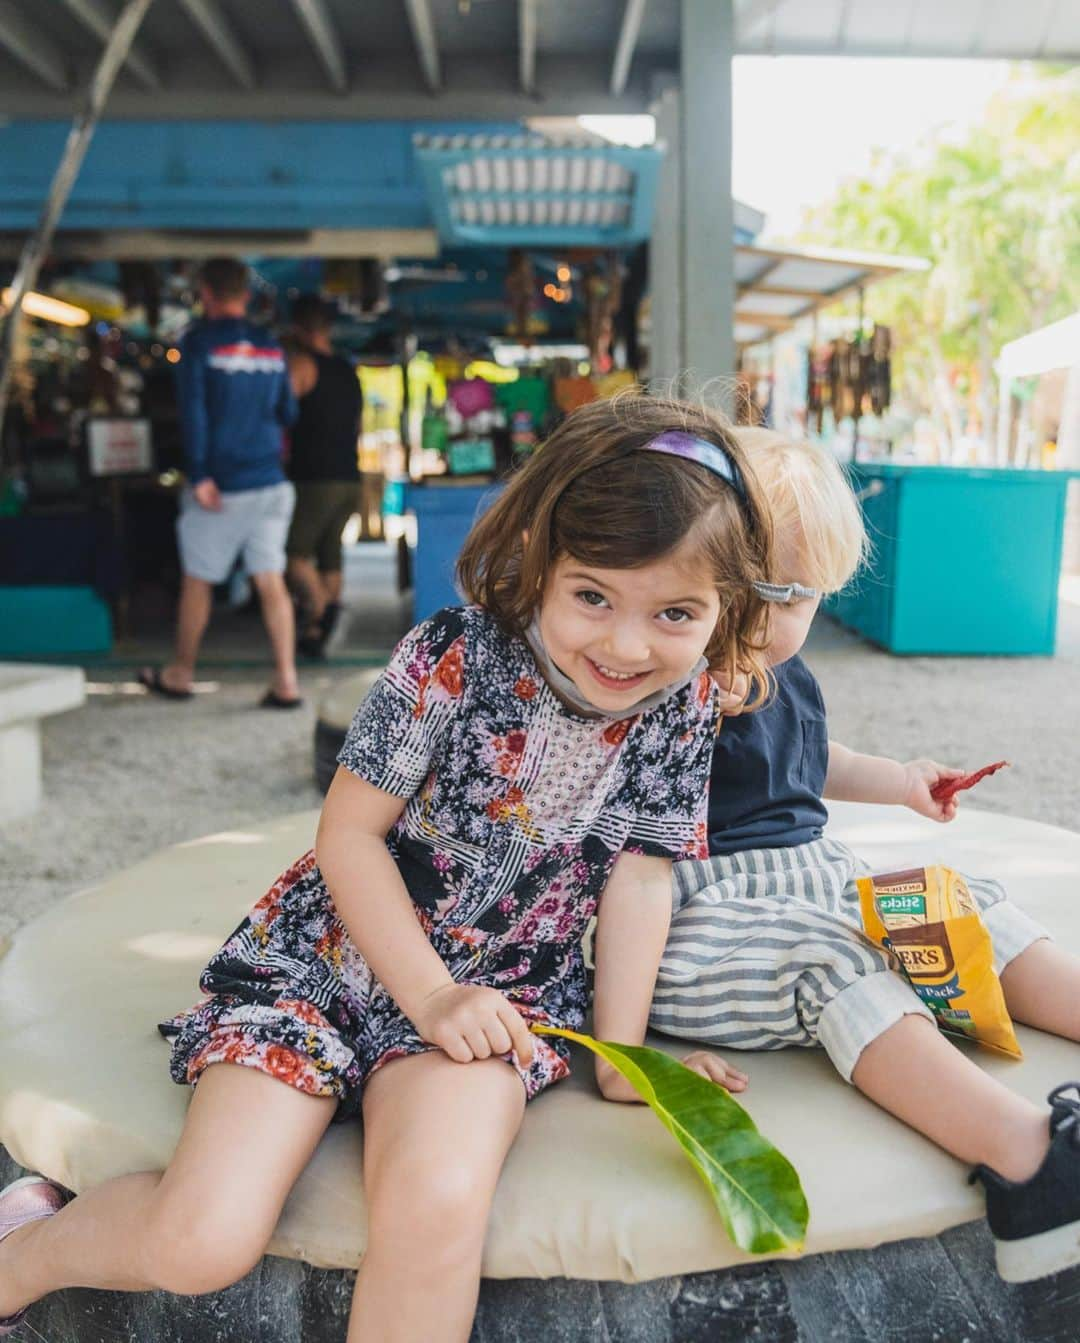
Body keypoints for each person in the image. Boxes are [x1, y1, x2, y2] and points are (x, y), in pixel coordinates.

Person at [0, 397, 769, 1343]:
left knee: (438, 1205)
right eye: (593, 595)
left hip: (499, 1005)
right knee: (203, 1238)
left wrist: (625, 1054)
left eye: (677, 612)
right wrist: (430, 992)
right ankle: (21, 1254)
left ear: (729, 606)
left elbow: (642, 874)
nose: (626, 644)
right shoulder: (455, 655)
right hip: (326, 972)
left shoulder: (685, 703)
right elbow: (349, 836)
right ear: (539, 554)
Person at [650, 427, 1080, 1285]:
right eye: (752, 590)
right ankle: (1032, 1166)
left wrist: (904, 781)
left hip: (814, 869)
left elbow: (813, 757)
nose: (771, 621)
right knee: (834, 958)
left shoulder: (788, 671)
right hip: (696, 913)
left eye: (799, 596)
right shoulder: (661, 680)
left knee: (956, 898)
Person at [139, 257, 301, 709]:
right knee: (271, 581)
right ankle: (287, 680)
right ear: (245, 295)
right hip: (272, 483)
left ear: (205, 294)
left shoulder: (199, 343)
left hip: (223, 487)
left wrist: (200, 473)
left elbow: (194, 412)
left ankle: (181, 673)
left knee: (198, 581)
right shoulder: (271, 345)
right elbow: (289, 413)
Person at [284, 294, 364, 658]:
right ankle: (318, 633)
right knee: (331, 555)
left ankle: (323, 611)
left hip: (316, 477)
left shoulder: (301, 364)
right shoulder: (348, 371)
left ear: (299, 328)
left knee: (293, 555)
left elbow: (282, 413)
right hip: (349, 475)